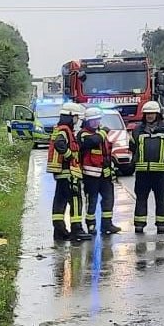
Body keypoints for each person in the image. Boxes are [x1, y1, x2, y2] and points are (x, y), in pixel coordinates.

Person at [129, 101, 164, 233]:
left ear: (157, 114)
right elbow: (133, 147)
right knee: (141, 198)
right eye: (147, 114)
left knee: (161, 199)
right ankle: (139, 224)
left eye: (152, 113)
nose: (149, 116)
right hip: (142, 172)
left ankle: (161, 225)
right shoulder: (137, 130)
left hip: (160, 172)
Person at [47, 103, 87, 243]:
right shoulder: (64, 131)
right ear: (70, 117)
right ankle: (77, 230)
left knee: (60, 202)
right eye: (76, 117)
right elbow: (60, 145)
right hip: (69, 173)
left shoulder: (60, 129)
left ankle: (60, 232)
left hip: (61, 174)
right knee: (76, 201)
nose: (77, 120)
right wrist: (70, 156)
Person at [76, 108, 118, 236]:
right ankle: (91, 225)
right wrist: (104, 133)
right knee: (92, 201)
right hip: (91, 176)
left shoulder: (100, 133)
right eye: (93, 120)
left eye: (97, 120)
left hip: (105, 174)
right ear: (87, 121)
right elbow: (94, 141)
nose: (96, 122)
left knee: (108, 199)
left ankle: (107, 224)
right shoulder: (83, 134)